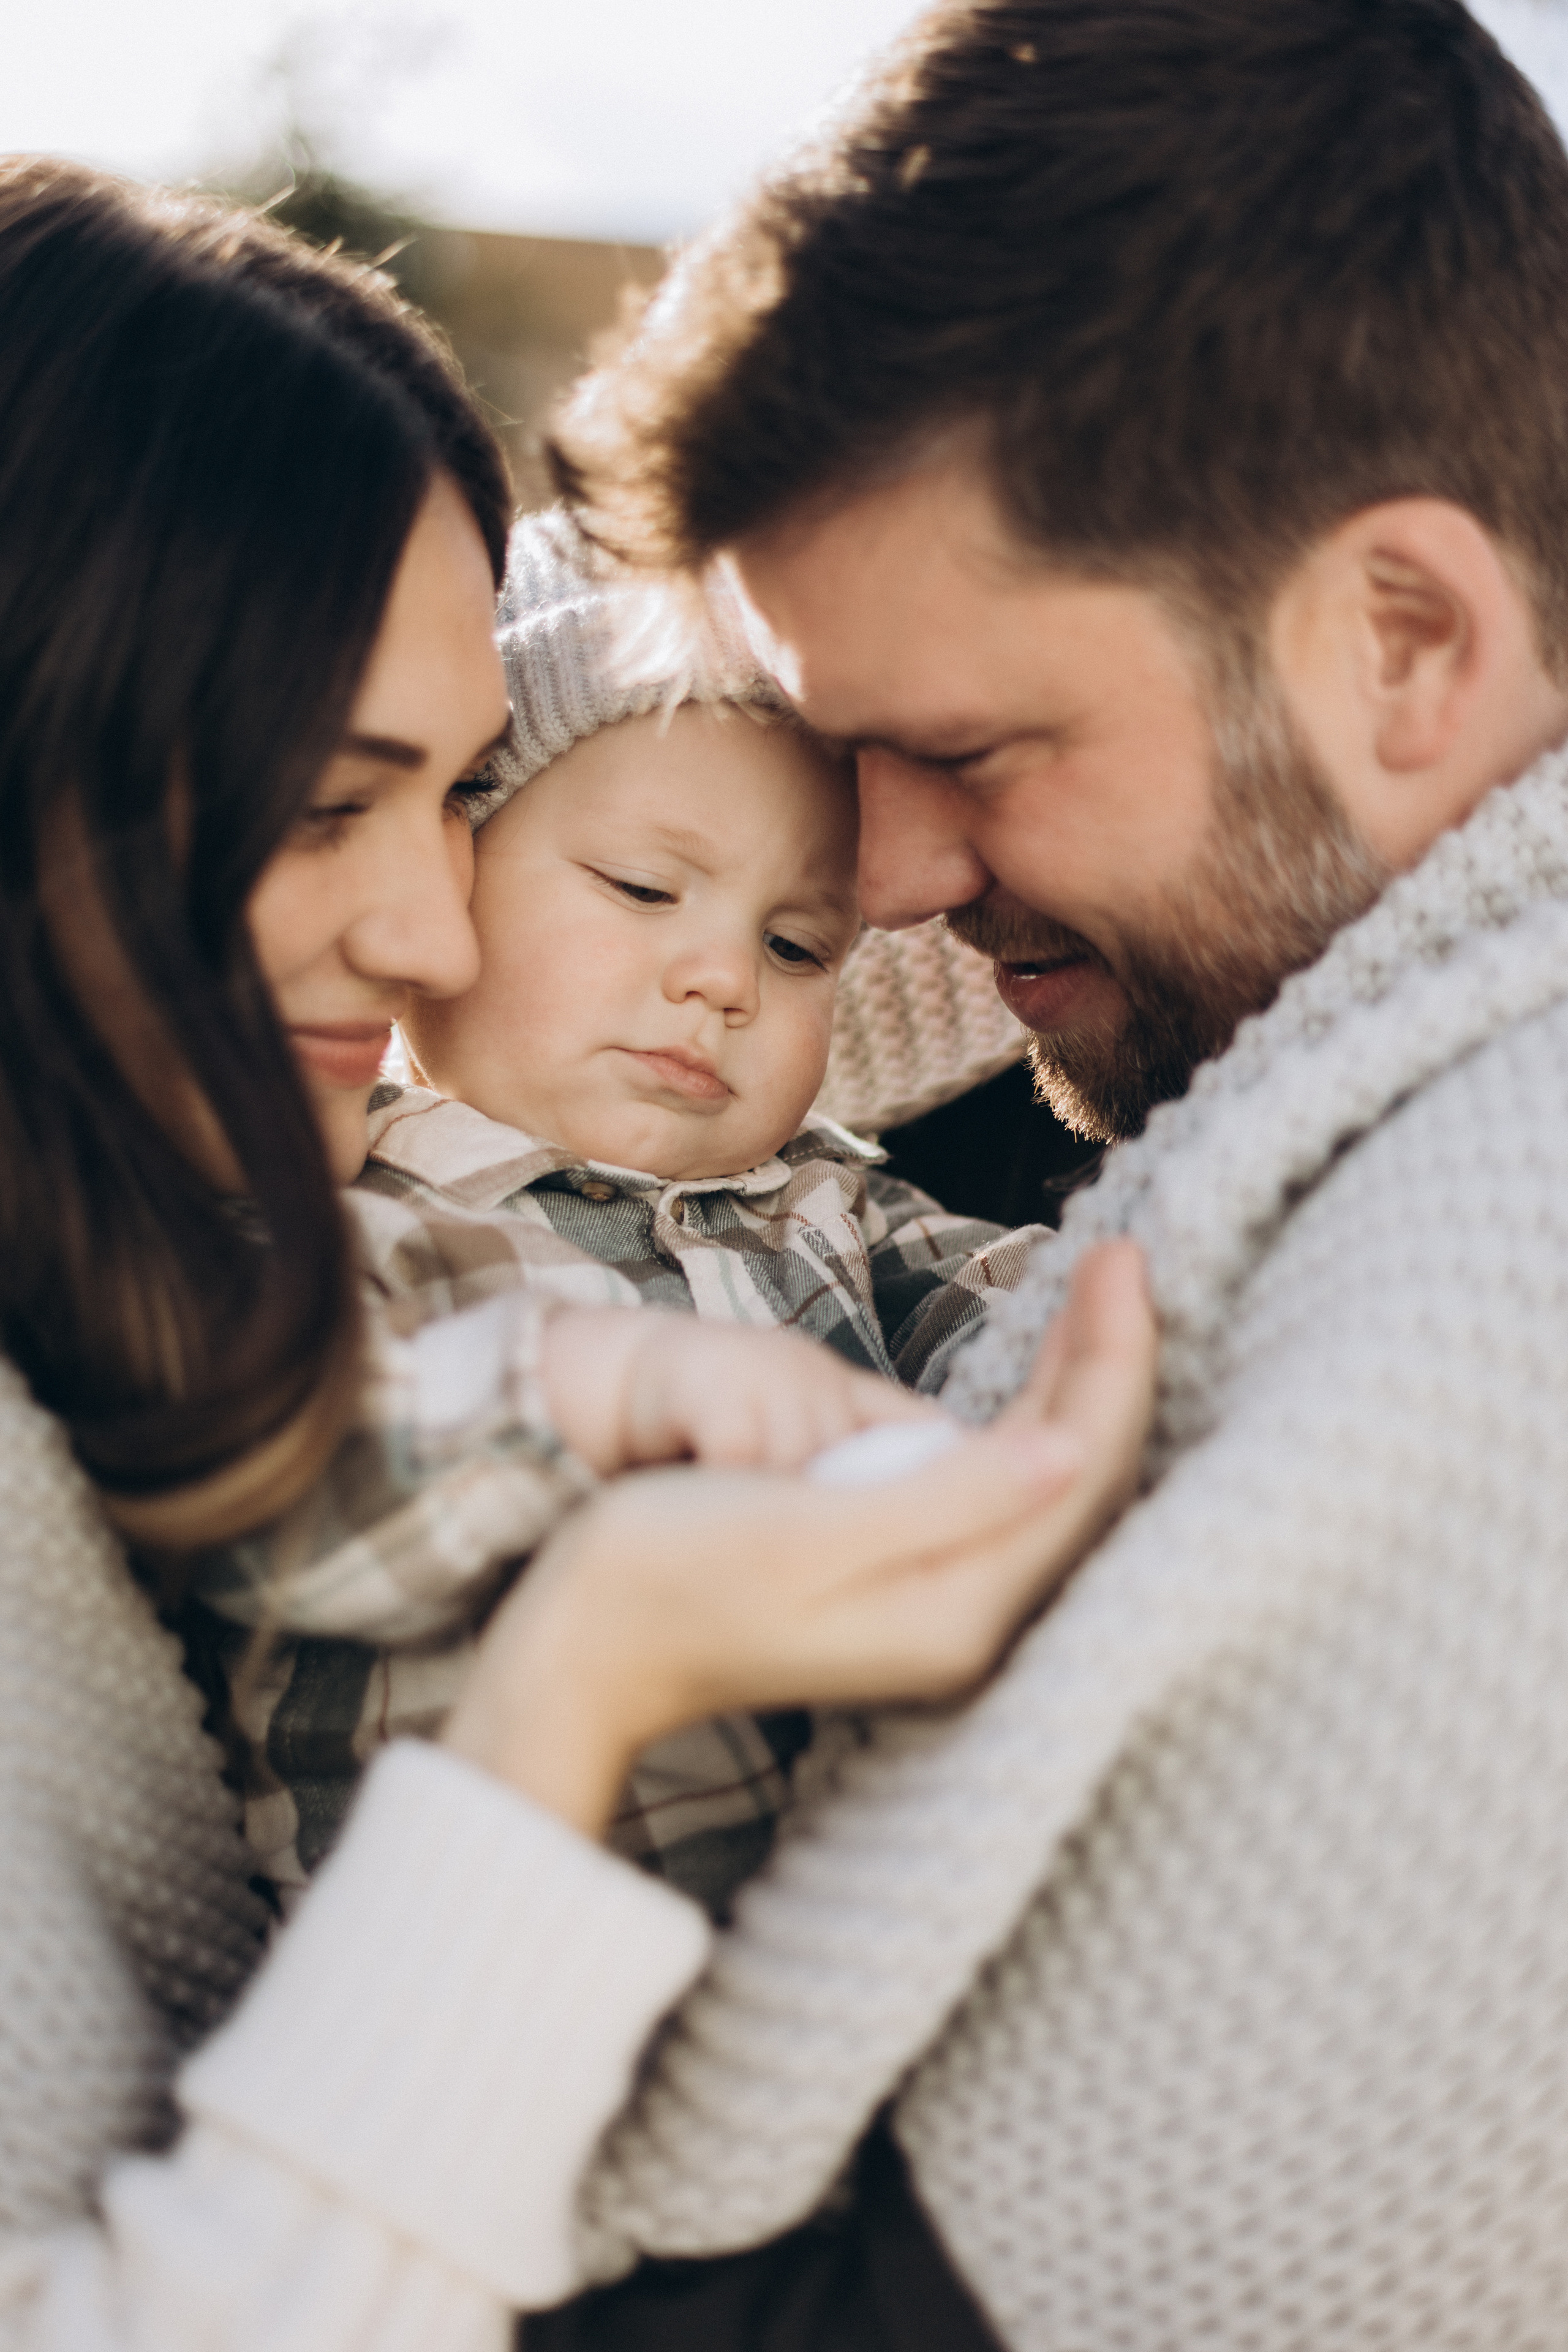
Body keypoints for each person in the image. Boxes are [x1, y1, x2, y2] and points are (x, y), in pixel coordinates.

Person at [0, 153, 1160, 2350]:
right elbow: (312, 1429)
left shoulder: (802, 1203)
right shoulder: (308, 1254)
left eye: (453, 802)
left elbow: (1000, 1289)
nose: (432, 938)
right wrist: (599, 1614)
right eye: (332, 803)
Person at [525, 0, 1568, 2343]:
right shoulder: (1334, 997)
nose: (883, 884)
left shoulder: (1509, 1276)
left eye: (971, 749)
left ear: (1408, 641)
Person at [192, 511, 1049, 1920]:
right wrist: (574, 1392)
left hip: (839, 1935)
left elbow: (1035, 1309)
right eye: (644, 888)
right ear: (453, 876)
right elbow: (260, 1490)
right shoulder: (325, 1214)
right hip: (453, 1963)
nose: (723, 978)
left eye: (796, 946)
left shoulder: (824, 1202)